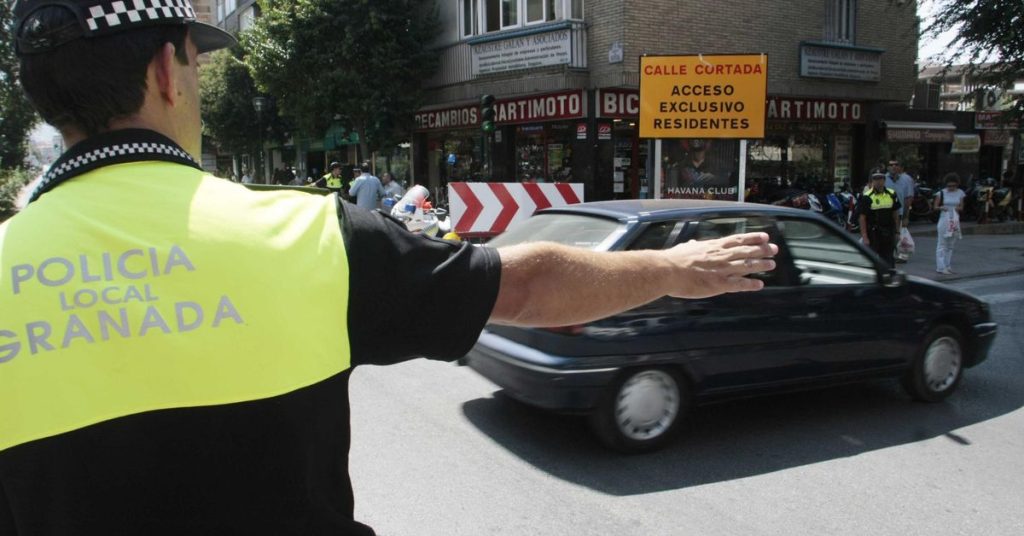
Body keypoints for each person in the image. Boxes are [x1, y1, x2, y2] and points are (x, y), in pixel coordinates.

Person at [1, 1, 776, 534]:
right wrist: (674, 267)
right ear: (169, 73)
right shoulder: (306, 235)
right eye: (197, 67)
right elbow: (531, 285)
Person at [858, 170, 902, 267]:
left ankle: (888, 277)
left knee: (889, 259)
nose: (878, 181)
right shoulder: (867, 196)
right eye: (875, 179)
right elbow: (862, 218)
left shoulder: (891, 194)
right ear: (872, 181)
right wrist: (865, 236)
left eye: (880, 178)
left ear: (884, 180)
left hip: (888, 232)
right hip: (873, 233)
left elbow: (895, 214)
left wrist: (897, 231)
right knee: (871, 260)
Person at [933, 173, 965, 274]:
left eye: (954, 186)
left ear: (957, 185)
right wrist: (941, 207)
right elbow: (935, 207)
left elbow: (961, 207)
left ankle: (948, 265)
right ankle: (941, 267)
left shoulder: (960, 193)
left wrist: (957, 208)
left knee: (950, 244)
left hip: (954, 219)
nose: (951, 188)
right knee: (942, 243)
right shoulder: (941, 193)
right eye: (949, 186)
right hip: (944, 218)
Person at [885, 160, 915, 262]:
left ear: (900, 167)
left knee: (899, 234)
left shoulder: (906, 179)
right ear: (887, 167)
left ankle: (901, 255)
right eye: (891, 165)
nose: (894, 167)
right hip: (886, 212)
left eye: (896, 164)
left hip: (900, 212)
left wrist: (907, 216)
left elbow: (908, 199)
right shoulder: (883, 179)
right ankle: (889, 254)